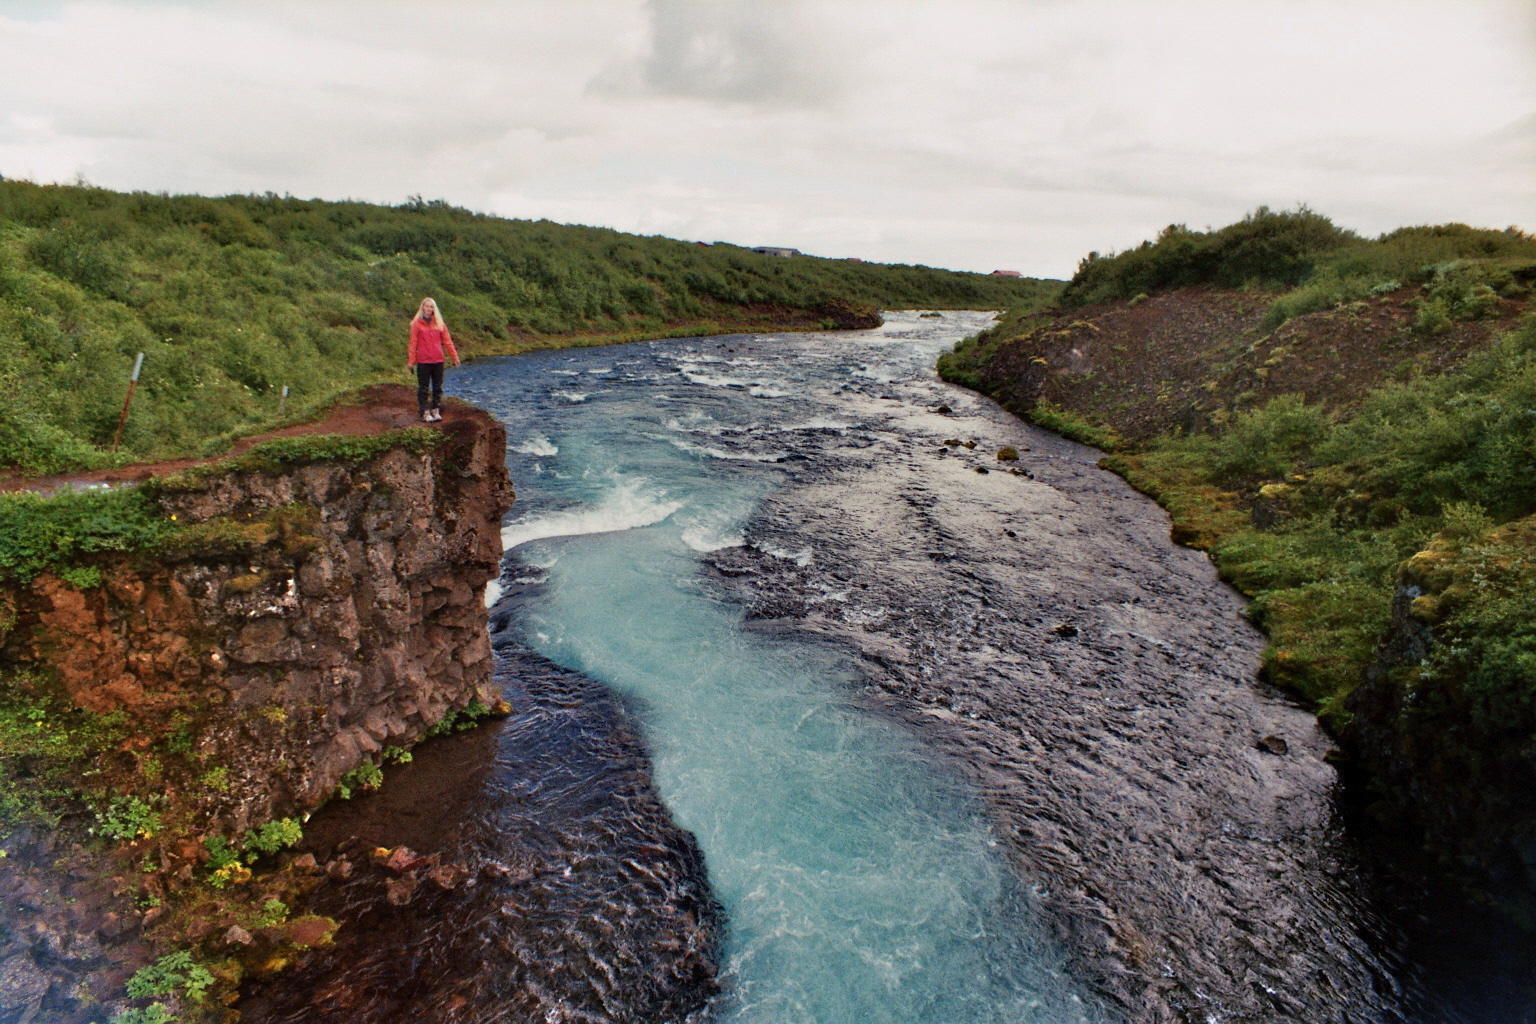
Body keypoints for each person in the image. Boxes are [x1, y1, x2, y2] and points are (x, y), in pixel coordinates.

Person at [407, 296, 460, 421]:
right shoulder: (416, 324)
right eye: (426, 306)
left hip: (438, 359)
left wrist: (455, 357)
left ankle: (436, 409)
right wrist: (411, 361)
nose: (429, 309)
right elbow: (413, 343)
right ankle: (425, 412)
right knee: (423, 387)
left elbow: (447, 341)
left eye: (431, 306)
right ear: (422, 307)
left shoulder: (440, 323)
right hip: (423, 360)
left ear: (434, 309)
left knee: (438, 387)